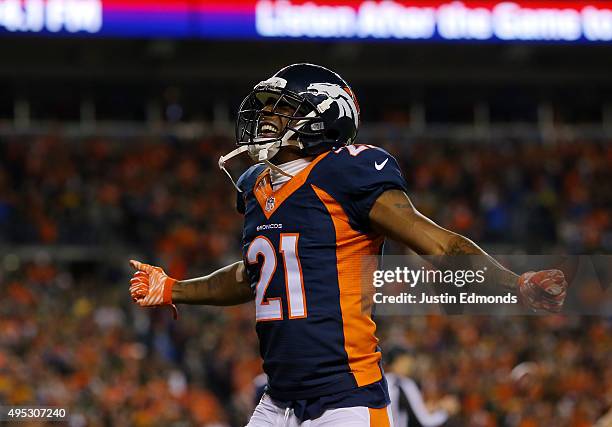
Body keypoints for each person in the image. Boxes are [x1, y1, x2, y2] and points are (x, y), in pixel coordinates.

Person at [128, 63, 568, 426]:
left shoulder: (347, 172)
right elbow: (253, 274)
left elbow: (441, 245)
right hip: (276, 401)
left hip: (344, 401)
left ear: (323, 116)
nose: (266, 119)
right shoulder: (256, 188)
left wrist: (516, 285)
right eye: (266, 109)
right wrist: (174, 288)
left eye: (281, 110)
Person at [385, 346, 458, 427]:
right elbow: (424, 420)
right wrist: (444, 413)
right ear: (397, 361)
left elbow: (419, 412)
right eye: (405, 361)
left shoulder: (406, 384)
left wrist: (439, 408)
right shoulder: (400, 383)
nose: (409, 365)